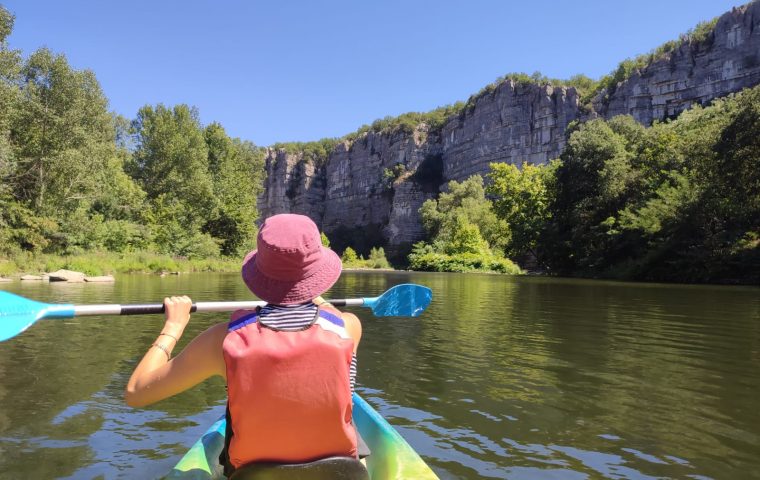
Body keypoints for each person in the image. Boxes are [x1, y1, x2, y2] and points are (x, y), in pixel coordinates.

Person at [125, 213, 363, 474]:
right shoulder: (349, 328)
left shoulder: (223, 340)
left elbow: (136, 393)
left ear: (260, 273)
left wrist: (173, 326)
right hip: (338, 475)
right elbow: (329, 314)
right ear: (317, 275)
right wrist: (303, 287)